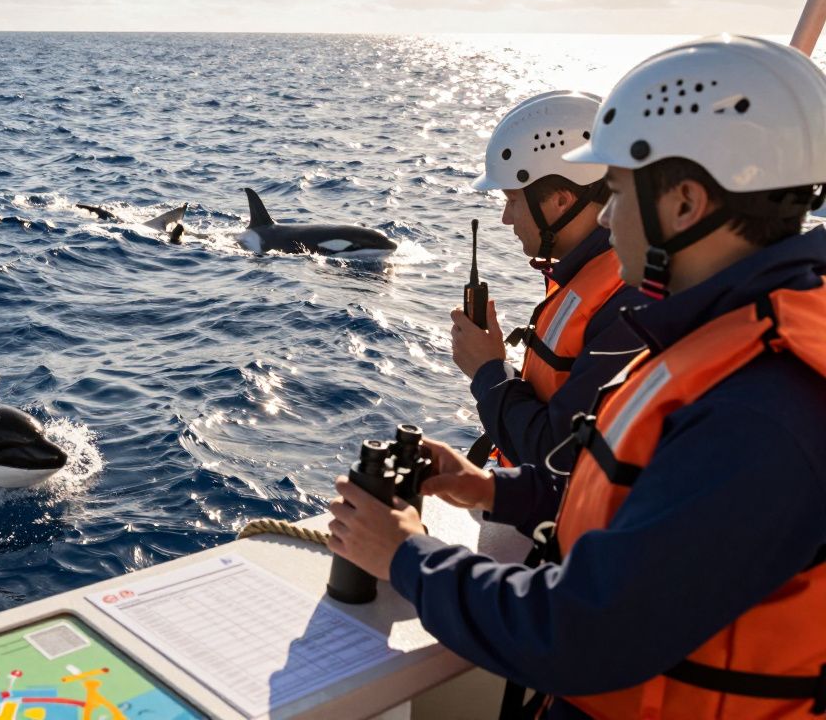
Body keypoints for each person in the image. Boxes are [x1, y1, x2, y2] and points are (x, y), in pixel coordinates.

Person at [329, 35, 826, 718]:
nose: (609, 217)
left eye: (617, 193)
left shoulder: (761, 414)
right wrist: (492, 488)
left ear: (684, 204)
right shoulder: (726, 334)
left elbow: (580, 630)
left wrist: (406, 558)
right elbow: (637, 491)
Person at [459, 91, 647, 476]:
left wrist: (488, 371)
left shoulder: (631, 302)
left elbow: (560, 457)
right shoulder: (594, 272)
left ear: (561, 201)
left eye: (512, 199)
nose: (506, 218)